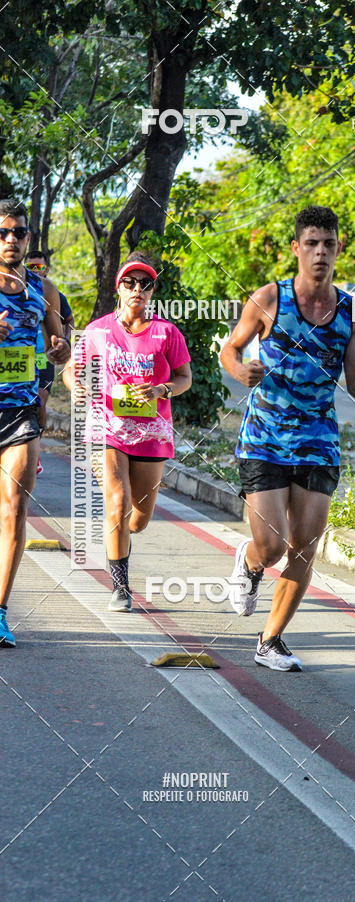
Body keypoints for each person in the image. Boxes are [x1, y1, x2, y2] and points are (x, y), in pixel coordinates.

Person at [220, 205, 355, 671]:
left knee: (305, 544)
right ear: (296, 249)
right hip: (264, 436)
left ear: (339, 249)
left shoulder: (350, 310)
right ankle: (252, 560)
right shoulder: (269, 298)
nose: (321, 251)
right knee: (274, 545)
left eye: (329, 243)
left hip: (318, 438)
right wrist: (242, 371)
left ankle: (270, 641)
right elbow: (230, 349)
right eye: (312, 243)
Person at [63, 252, 192, 612]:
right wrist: (78, 386)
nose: (137, 289)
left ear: (153, 291)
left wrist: (162, 389)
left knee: (139, 517)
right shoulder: (98, 330)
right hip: (107, 428)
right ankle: (120, 587)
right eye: (130, 283)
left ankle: (118, 538)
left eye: (145, 284)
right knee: (116, 503)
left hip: (151, 432)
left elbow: (185, 378)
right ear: (118, 287)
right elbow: (72, 369)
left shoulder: (167, 333)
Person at [0, 199, 71, 647]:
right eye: (3, 232)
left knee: (13, 505)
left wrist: (61, 352)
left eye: (19, 233)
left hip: (21, 412)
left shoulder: (41, 288)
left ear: (29, 238)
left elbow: (59, 342)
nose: (11, 240)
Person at [26, 249, 74, 473]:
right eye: (31, 267)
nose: (35, 271)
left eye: (39, 267)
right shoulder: (12, 291)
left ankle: (34, 449)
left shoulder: (52, 293)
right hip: (17, 359)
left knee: (40, 404)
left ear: (47, 268)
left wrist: (64, 342)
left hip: (43, 358)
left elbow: (68, 320)